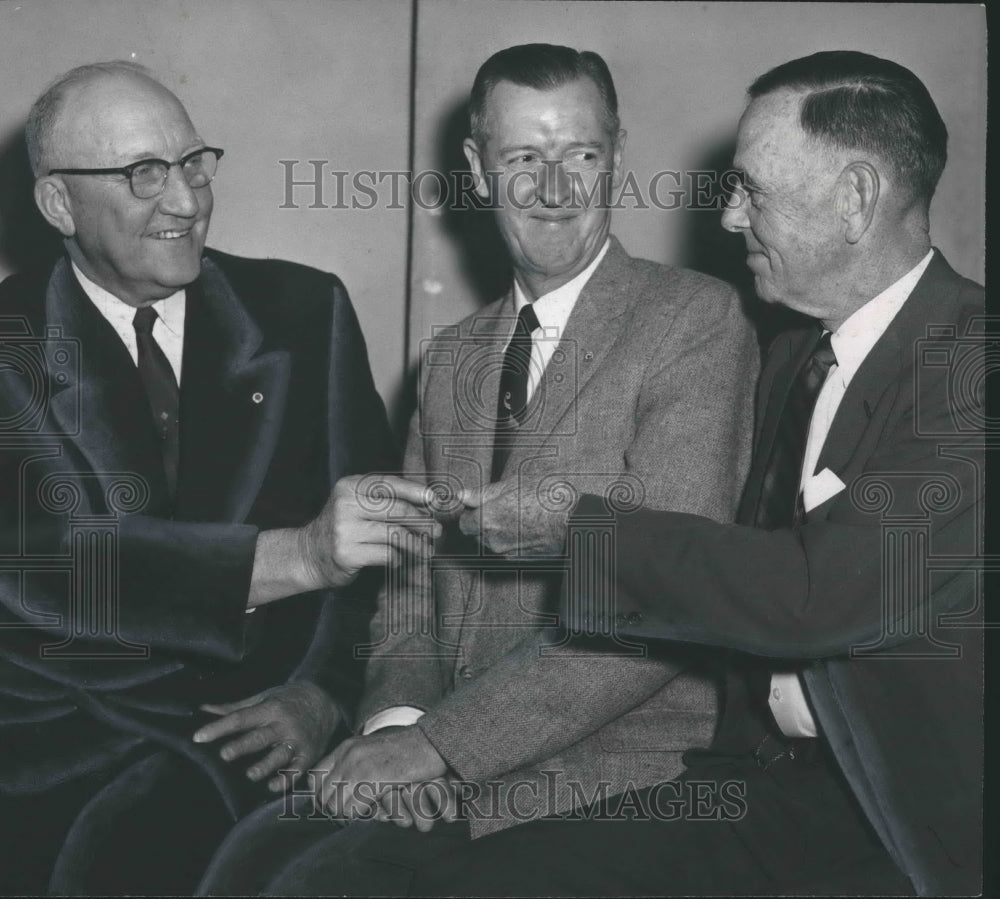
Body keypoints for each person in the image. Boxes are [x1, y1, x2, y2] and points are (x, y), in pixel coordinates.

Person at [409, 50, 985, 897]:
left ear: (856, 198)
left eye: (752, 187)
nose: (726, 216)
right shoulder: (794, 358)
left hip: (907, 827)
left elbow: (812, 597)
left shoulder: (976, 363)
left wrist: (578, 527)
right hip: (764, 790)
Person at [197, 43, 757, 896]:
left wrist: (437, 748)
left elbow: (659, 603)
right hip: (451, 767)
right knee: (246, 862)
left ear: (617, 154)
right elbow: (412, 592)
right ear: (477, 169)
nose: (556, 188)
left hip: (618, 781)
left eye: (582, 154)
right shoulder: (452, 358)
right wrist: (400, 723)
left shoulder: (694, 324)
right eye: (524, 158)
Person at [0, 61, 433, 895]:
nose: (188, 200)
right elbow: (56, 558)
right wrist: (302, 554)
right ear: (59, 204)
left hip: (271, 727)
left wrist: (324, 693)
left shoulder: (305, 312)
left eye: (195, 162)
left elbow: (392, 559)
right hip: (64, 731)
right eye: (144, 174)